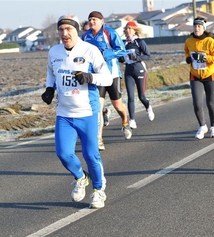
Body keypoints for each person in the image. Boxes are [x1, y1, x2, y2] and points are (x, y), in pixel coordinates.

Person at [41, 15, 113, 208]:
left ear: (77, 30)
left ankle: (99, 190)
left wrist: (90, 77)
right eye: (61, 30)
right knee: (63, 153)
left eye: (69, 29)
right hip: (64, 113)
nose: (65, 34)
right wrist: (49, 88)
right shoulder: (54, 52)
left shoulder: (90, 50)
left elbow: (107, 78)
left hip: (87, 112)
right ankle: (81, 177)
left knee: (91, 155)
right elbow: (50, 72)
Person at [82, 11, 132, 151]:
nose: (92, 22)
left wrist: (104, 55)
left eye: (94, 19)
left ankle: (125, 121)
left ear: (102, 21)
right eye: (90, 19)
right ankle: (99, 139)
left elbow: (121, 50)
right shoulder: (85, 36)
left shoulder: (109, 33)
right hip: (96, 77)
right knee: (97, 108)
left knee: (118, 105)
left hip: (111, 74)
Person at [184, 17, 214, 140]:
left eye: (199, 26)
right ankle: (202, 126)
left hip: (210, 74)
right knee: (196, 103)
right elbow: (186, 52)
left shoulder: (210, 41)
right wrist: (188, 59)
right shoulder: (189, 41)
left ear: (203, 28)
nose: (196, 28)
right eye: (195, 26)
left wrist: (205, 58)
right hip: (195, 75)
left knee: (210, 102)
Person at [121, 20, 155, 129]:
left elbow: (148, 55)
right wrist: (122, 58)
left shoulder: (139, 42)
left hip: (140, 70)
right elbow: (121, 58)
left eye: (129, 28)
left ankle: (148, 107)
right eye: (126, 28)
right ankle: (132, 120)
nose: (127, 30)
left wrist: (137, 58)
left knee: (141, 96)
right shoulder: (123, 43)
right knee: (130, 97)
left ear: (135, 30)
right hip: (128, 72)